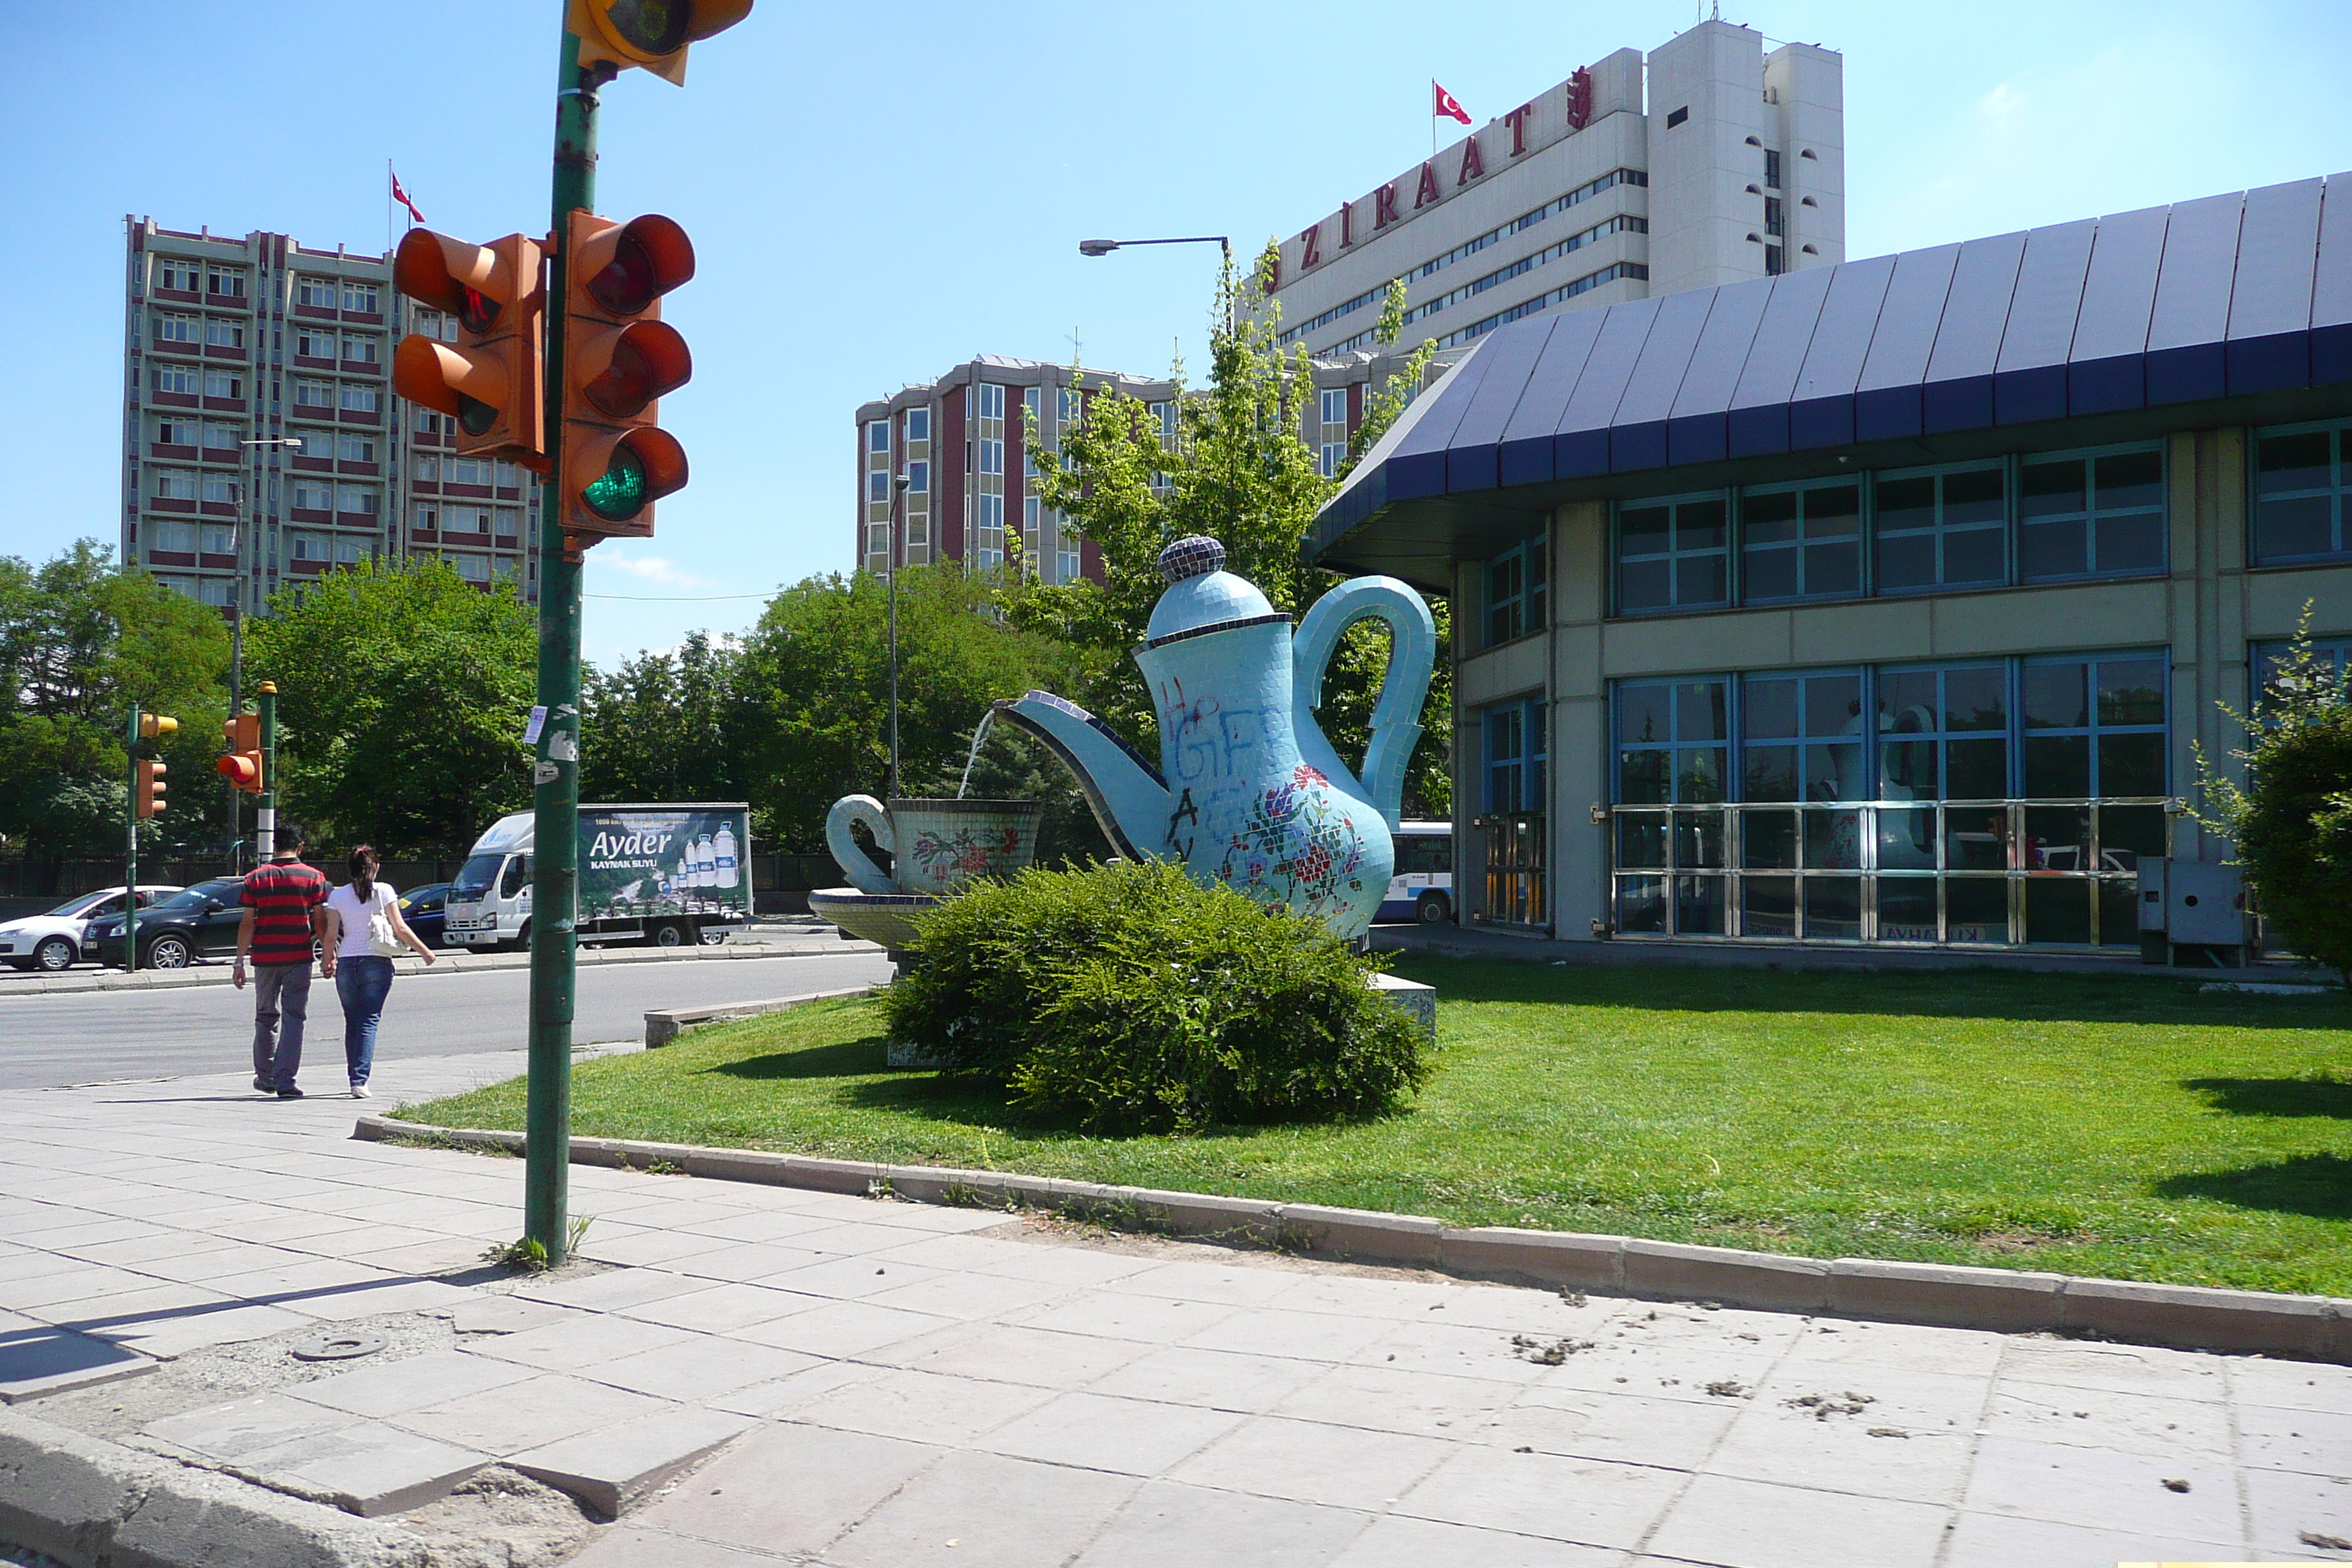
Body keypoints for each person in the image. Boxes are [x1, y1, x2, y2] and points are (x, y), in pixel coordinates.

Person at [320, 845, 435, 1099]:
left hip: (348, 963)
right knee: (369, 1019)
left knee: (353, 1020)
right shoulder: (384, 891)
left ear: (350, 869)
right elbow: (400, 928)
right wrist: (425, 952)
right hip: (377, 961)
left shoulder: (338, 896)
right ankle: (360, 1081)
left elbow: (331, 936)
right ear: (377, 867)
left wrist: (327, 961)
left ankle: (355, 1078)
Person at [233, 822, 332, 1100]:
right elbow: (320, 920)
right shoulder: (313, 877)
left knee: (265, 1017)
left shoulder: (255, 878)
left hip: (264, 958)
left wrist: (239, 961)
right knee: (294, 1018)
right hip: (298, 957)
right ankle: (286, 1081)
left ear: (274, 846)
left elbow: (247, 922)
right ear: (299, 847)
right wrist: (327, 952)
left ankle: (265, 1078)